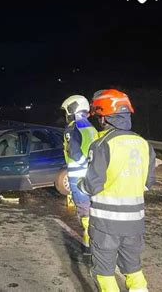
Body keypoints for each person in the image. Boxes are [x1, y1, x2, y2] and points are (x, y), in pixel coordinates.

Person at [78, 89, 155, 292]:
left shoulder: (102, 145)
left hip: (106, 226)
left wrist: (80, 185)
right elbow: (148, 183)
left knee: (103, 272)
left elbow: (92, 185)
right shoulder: (144, 144)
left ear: (104, 117)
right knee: (133, 269)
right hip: (134, 225)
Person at [61, 95, 98, 250]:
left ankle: (89, 242)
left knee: (84, 211)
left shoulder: (72, 127)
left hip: (78, 176)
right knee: (95, 209)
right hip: (93, 176)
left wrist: (83, 165)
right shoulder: (91, 127)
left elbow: (74, 151)